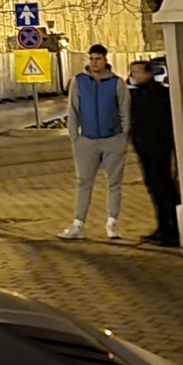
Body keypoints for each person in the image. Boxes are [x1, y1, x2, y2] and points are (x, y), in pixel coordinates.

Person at [58, 45, 130, 242]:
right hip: (87, 140)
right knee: (84, 182)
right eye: (91, 59)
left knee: (114, 183)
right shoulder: (79, 82)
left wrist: (124, 137)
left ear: (105, 60)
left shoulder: (117, 83)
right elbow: (73, 109)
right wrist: (74, 136)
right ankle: (78, 224)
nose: (94, 62)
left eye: (98, 59)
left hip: (113, 139)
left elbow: (124, 110)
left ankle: (112, 223)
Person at [127, 59, 181, 246]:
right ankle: (163, 227)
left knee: (163, 188)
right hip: (146, 148)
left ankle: (172, 229)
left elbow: (160, 122)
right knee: (155, 188)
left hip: (158, 148)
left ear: (149, 73)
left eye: (138, 72)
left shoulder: (158, 94)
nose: (134, 76)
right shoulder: (137, 94)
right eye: (132, 72)